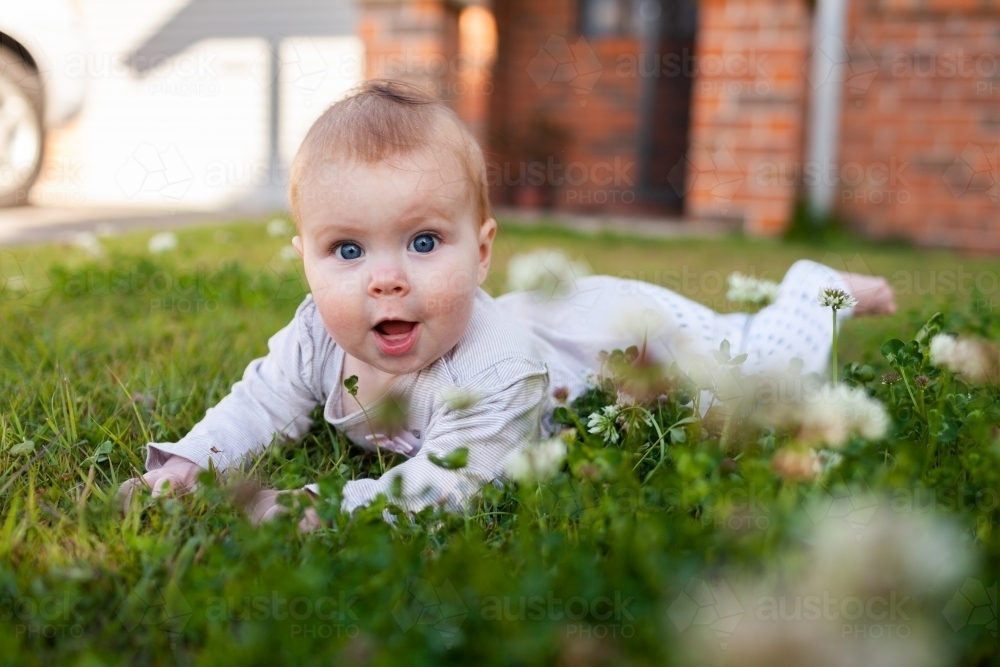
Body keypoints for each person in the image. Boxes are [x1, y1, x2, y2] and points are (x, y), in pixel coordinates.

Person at [116, 80, 896, 529]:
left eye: (423, 243)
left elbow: (442, 490)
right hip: (542, 317)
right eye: (347, 250)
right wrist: (188, 462)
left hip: (626, 339)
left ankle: (812, 290)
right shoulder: (316, 331)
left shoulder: (497, 369)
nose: (385, 278)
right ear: (306, 260)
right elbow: (260, 402)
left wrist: (294, 506)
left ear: (481, 250)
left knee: (754, 363)